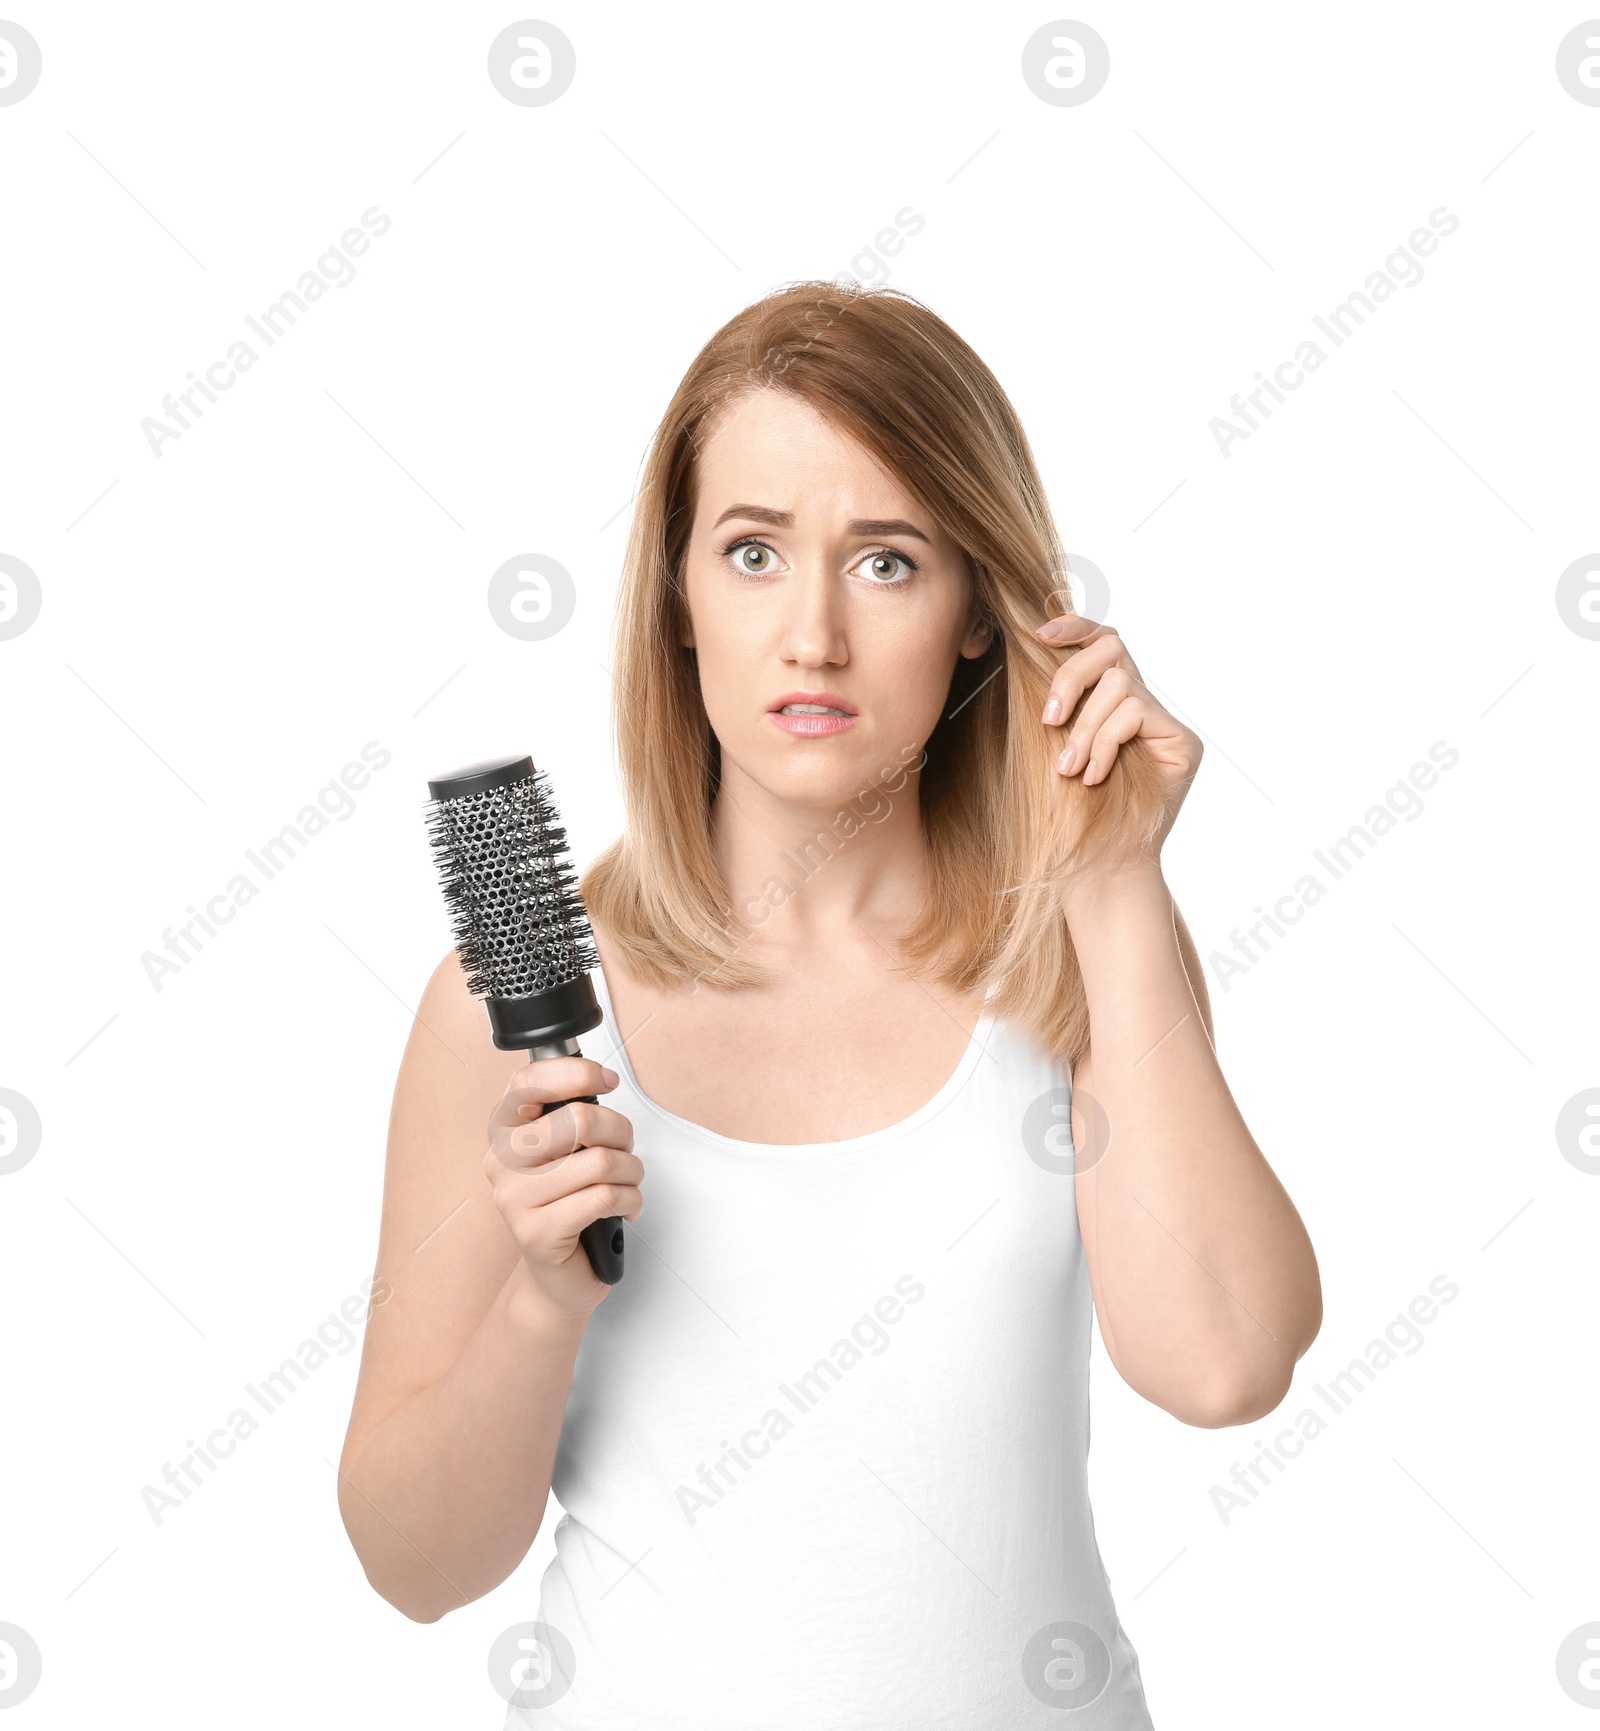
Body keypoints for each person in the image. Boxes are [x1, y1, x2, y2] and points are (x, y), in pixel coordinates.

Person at [337, 281, 1322, 1728]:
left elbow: (1227, 1366)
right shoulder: (517, 1017)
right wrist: (542, 1302)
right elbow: (414, 1566)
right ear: (676, 601)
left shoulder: (1075, 965)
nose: (812, 636)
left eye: (885, 563)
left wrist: (1112, 881)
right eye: (750, 553)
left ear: (984, 613)